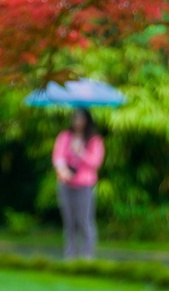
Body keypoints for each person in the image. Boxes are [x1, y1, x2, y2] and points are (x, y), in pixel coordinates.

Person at [52, 108, 105, 259]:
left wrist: (81, 152)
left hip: (84, 185)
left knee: (84, 221)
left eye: (81, 119)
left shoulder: (94, 140)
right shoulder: (65, 136)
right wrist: (62, 170)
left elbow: (95, 162)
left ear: (87, 120)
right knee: (69, 222)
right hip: (66, 184)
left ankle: (87, 255)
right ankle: (70, 255)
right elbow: (58, 157)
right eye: (75, 118)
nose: (77, 122)